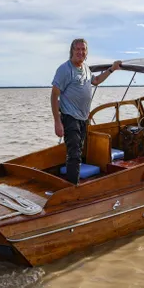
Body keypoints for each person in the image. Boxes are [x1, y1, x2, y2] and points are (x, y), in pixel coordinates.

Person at [51, 38, 121, 185]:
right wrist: (57, 122)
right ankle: (72, 189)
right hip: (70, 117)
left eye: (83, 50)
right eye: (77, 49)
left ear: (86, 52)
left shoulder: (86, 68)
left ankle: (72, 184)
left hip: (83, 119)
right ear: (72, 51)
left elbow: (95, 81)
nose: (80, 52)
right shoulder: (64, 69)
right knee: (75, 154)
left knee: (78, 152)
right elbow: (54, 95)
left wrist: (111, 69)